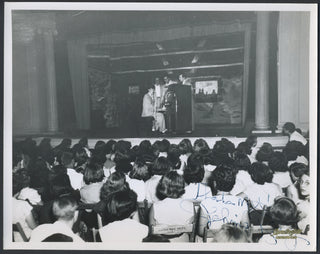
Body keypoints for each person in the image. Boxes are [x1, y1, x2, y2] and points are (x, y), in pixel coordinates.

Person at [198, 164, 249, 238]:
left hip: (213, 242)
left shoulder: (206, 202)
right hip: (234, 242)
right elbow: (246, 229)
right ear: (233, 184)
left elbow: (201, 231)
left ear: (214, 183)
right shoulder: (241, 202)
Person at [149, 171, 194, 242]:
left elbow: (151, 231)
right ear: (182, 186)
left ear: (163, 186)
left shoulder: (155, 206)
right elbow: (190, 230)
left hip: (161, 242)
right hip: (183, 241)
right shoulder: (190, 205)